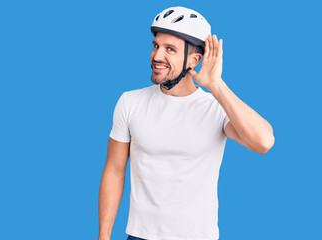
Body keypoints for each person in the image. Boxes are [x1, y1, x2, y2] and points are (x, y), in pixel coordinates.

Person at [98, 6, 275, 240]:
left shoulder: (216, 107)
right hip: (139, 235)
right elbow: (114, 171)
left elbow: (263, 142)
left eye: (170, 49)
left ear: (194, 60)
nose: (157, 56)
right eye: (156, 46)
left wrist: (216, 86)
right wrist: (103, 235)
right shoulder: (130, 102)